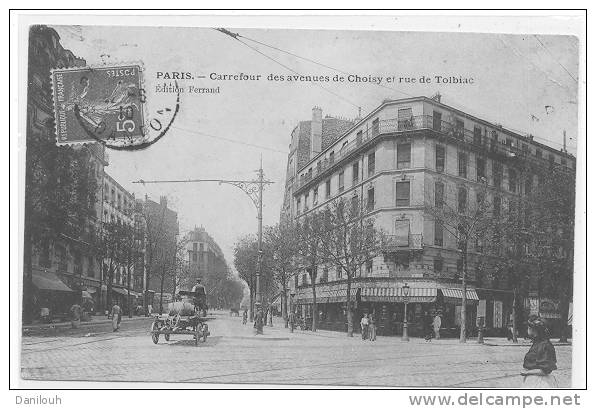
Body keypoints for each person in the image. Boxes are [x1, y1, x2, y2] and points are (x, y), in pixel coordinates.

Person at [521, 315, 558, 388]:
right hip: (533, 379)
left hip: (540, 382)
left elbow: (545, 370)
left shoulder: (545, 345)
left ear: (534, 330)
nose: (527, 330)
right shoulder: (538, 343)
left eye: (528, 328)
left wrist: (527, 372)